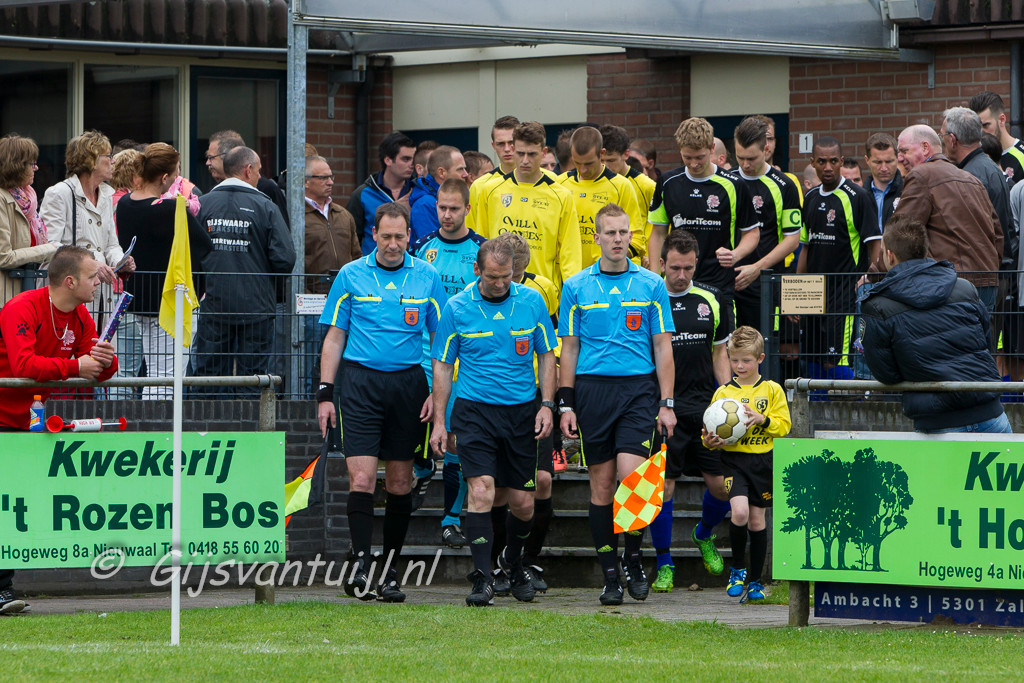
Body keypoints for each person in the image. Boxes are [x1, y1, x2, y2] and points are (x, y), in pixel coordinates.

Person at [317, 202, 447, 603]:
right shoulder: (350, 274)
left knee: (399, 483)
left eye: (400, 237)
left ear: (410, 236)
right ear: (373, 235)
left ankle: (390, 572)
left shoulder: (427, 276)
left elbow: (442, 343)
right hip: (359, 385)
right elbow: (334, 337)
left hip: (409, 387)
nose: (393, 244)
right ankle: (360, 566)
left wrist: (436, 395)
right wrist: (325, 393)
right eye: (386, 236)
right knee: (360, 479)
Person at [558, 203, 677, 605]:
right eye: (610, 232)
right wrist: (566, 404)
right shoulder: (576, 286)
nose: (617, 239)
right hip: (592, 392)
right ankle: (610, 576)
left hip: (638, 392)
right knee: (603, 485)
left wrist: (666, 402)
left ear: (631, 236)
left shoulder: (651, 284)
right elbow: (569, 348)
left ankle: (633, 558)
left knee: (632, 478)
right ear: (596, 238)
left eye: (623, 232)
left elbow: (662, 346)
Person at [430, 238, 557, 606]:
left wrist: (547, 405)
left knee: (524, 503)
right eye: (492, 277)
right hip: (475, 413)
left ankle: (512, 564)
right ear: (477, 270)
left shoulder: (531, 301)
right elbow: (442, 366)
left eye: (506, 276)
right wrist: (439, 422)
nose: (500, 284)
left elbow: (547, 355)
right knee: (482, 490)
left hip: (521, 413)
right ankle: (482, 579)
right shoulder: (456, 308)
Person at [0, 245, 120, 614]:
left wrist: (106, 361)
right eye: (91, 277)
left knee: (13, 505)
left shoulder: (80, 314)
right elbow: (23, 365)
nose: (98, 282)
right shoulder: (21, 307)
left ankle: (3, 589)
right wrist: (75, 366)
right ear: (69, 281)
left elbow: (96, 369)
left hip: (26, 420)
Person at [861, 215, 1010, 433]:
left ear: (890, 256)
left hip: (937, 423)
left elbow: (886, 374)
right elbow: (985, 344)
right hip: (992, 416)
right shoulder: (965, 288)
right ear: (924, 250)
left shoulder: (878, 307)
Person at [649, 229, 732, 593]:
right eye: (675, 268)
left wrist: (727, 398)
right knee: (664, 488)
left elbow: (720, 352)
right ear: (661, 264)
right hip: (663, 409)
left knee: (722, 486)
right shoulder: (649, 299)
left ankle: (704, 533)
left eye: (689, 268)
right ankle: (664, 563)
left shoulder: (712, 299)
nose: (682, 275)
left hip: (705, 409)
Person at [410, 177, 487, 548]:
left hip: (465, 359)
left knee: (456, 439)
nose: (447, 214)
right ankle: (423, 467)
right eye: (441, 207)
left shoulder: (481, 249)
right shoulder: (422, 248)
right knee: (415, 425)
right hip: (425, 355)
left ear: (467, 209)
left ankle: (451, 518)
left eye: (454, 208)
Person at [190, 146, 296, 396]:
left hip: (212, 303)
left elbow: (191, 255)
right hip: (256, 306)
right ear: (248, 170)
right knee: (253, 379)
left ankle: (207, 419)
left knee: (209, 377)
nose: (260, 176)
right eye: (258, 170)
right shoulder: (266, 206)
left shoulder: (203, 205)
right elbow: (285, 258)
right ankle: (248, 421)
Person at [489, 231, 561, 594]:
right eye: (503, 275)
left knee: (543, 480)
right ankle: (499, 562)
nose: (507, 284)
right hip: (496, 399)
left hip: (535, 396)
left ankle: (528, 558)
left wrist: (553, 395)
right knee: (500, 487)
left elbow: (552, 342)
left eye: (514, 275)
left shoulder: (542, 290)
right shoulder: (482, 291)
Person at [647, 117, 759, 345]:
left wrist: (736, 254)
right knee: (675, 348)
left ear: (712, 148)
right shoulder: (668, 182)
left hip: (719, 283)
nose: (694, 164)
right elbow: (658, 233)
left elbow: (752, 233)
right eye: (687, 157)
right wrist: (656, 278)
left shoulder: (734, 185)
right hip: (676, 282)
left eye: (699, 157)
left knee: (722, 349)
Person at [113, 143, 213, 399]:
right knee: (168, 376)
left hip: (139, 297)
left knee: (154, 372)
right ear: (165, 177)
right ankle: (161, 422)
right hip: (171, 298)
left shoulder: (124, 204)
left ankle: (152, 419)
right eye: (177, 171)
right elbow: (205, 245)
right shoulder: (171, 209)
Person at [702, 325, 791, 602]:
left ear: (760, 359)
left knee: (756, 519)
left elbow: (784, 427)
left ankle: (756, 581)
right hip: (733, 461)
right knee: (739, 513)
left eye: (746, 360)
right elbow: (707, 434)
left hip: (763, 462)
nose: (740, 366)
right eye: (735, 360)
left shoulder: (772, 390)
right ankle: (737, 570)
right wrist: (709, 442)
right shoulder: (722, 394)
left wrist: (763, 420)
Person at [798, 136, 881, 380]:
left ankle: (843, 404)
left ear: (841, 162)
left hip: (844, 294)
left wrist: (870, 277)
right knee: (810, 356)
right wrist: (796, 289)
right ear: (812, 162)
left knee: (835, 359)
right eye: (821, 161)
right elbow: (805, 247)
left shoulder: (857, 196)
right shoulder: (810, 198)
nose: (827, 167)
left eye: (833, 161)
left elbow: (874, 244)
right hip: (812, 293)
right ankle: (816, 403)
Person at [893, 124, 1002, 308]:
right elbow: (997, 234)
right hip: (987, 283)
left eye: (904, 151)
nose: (899, 158)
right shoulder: (972, 180)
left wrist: (874, 274)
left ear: (925, 147)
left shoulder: (921, 175)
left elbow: (900, 234)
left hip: (950, 285)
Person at [40, 130, 133, 332]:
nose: (113, 161)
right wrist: (91, 264)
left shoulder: (107, 195)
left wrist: (121, 260)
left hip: (101, 293)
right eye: (108, 156)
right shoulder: (59, 193)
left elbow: (111, 244)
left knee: (100, 346)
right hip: (69, 294)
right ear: (91, 160)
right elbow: (50, 246)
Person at [474, 121, 581, 292]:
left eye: (531, 154)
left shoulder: (561, 196)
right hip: (498, 291)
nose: (525, 160)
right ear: (513, 150)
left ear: (543, 152)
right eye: (520, 153)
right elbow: (481, 244)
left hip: (544, 292)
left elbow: (570, 255)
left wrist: (572, 294)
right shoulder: (490, 190)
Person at [730, 116, 802, 332]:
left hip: (766, 285)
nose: (745, 164)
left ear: (766, 149)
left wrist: (757, 269)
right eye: (740, 157)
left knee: (763, 347)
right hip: (729, 284)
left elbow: (792, 240)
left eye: (751, 158)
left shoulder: (785, 185)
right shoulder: (726, 181)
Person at [303, 155, 361, 395]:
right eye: (323, 177)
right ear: (306, 182)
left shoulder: (343, 215)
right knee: (307, 367)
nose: (330, 182)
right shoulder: (297, 216)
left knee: (340, 366)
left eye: (331, 176)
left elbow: (356, 257)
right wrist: (306, 294)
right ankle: (306, 407)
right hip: (310, 304)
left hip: (343, 303)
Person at [559, 126, 645, 267]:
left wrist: (609, 262)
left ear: (602, 153)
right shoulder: (560, 184)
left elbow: (637, 239)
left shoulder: (621, 186)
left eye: (589, 163)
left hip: (609, 275)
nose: (583, 169)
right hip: (571, 276)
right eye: (577, 162)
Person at [0, 135, 58, 306]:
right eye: (32, 163)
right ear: (16, 166)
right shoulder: (2, 199)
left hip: (23, 295)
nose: (36, 168)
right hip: (5, 298)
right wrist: (49, 249)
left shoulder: (27, 198)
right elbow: (3, 256)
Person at [347, 132, 416, 255]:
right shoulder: (362, 194)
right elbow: (350, 240)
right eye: (406, 159)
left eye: (413, 159)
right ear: (388, 160)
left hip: (409, 263)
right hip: (372, 264)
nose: (412, 164)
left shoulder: (418, 192)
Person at [205, 130, 287, 223]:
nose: (207, 163)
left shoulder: (267, 189)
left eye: (211, 157)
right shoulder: (212, 193)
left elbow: (280, 227)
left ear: (230, 155)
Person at [600, 125, 657, 244]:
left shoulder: (647, 186)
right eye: (601, 161)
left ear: (626, 154)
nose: (605, 166)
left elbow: (661, 228)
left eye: (611, 160)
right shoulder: (594, 183)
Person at [467, 116, 520, 232]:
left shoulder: (546, 180)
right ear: (493, 146)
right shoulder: (479, 186)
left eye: (511, 142)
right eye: (501, 144)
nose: (507, 149)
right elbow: (471, 231)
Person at [409, 146, 469, 242]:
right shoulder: (425, 204)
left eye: (454, 209)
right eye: (460, 169)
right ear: (441, 173)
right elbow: (431, 246)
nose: (466, 174)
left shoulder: (433, 198)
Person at [969, 90, 1024, 185]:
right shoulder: (973, 155)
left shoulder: (1021, 156)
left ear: (1002, 120)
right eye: (977, 127)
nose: (981, 132)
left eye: (985, 125)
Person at [863, 133, 903, 234]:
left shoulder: (908, 191)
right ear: (867, 160)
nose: (884, 168)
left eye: (889, 161)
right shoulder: (859, 195)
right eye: (878, 162)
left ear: (898, 158)